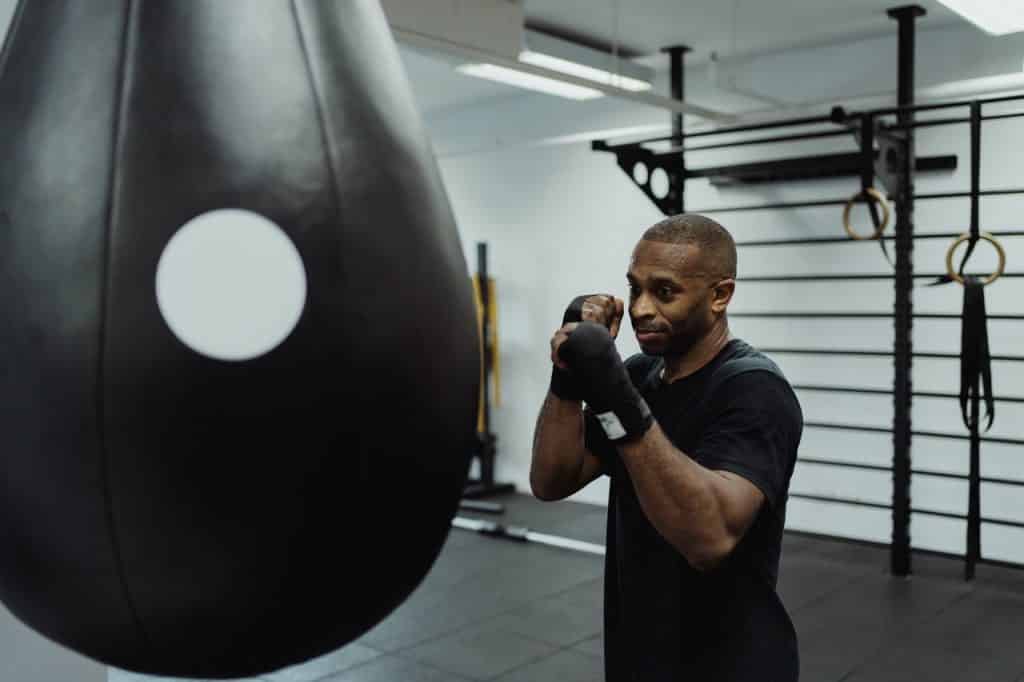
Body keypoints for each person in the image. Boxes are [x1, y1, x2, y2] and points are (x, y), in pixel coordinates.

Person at [530, 213, 802, 681]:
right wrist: (568, 379)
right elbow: (552, 479)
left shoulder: (754, 390)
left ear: (720, 295)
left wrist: (619, 399)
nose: (639, 309)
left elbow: (709, 539)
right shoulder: (639, 375)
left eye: (665, 292)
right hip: (639, 651)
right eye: (635, 289)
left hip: (730, 664)